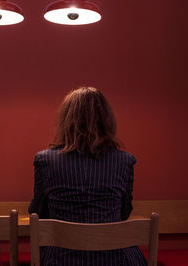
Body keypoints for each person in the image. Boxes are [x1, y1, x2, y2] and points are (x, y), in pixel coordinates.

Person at [29, 87, 147, 266]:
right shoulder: (125, 161)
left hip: (61, 259)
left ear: (65, 121)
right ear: (106, 120)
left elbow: (37, 212)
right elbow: (123, 213)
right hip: (115, 258)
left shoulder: (45, 160)